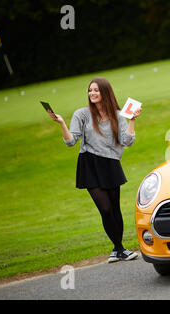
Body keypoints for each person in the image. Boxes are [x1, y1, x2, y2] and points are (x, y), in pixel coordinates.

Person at [48, 77, 142, 263]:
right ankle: (120, 249)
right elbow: (70, 141)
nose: (92, 93)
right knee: (105, 209)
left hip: (111, 163)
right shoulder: (81, 115)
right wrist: (61, 123)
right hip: (89, 164)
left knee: (115, 208)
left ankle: (118, 249)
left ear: (105, 93)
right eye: (90, 90)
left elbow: (127, 141)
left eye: (96, 90)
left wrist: (132, 120)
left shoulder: (118, 114)